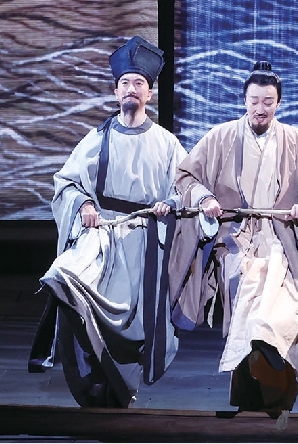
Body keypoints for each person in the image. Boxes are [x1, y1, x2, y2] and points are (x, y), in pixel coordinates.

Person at [169, 61, 298, 419]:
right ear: (244, 101)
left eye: (268, 101)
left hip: (283, 240)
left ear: (278, 103)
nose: (260, 108)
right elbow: (186, 176)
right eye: (254, 101)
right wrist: (205, 198)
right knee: (249, 298)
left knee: (288, 306)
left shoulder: (297, 141)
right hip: (238, 240)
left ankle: (276, 394)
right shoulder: (221, 137)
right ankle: (254, 396)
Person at [28, 36, 187, 409]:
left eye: (138, 83)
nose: (131, 89)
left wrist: (169, 204)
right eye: (125, 83)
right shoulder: (97, 138)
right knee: (63, 276)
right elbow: (66, 182)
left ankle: (116, 384)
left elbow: (188, 187)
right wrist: (83, 202)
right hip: (101, 234)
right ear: (116, 92)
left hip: (144, 239)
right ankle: (94, 369)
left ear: (149, 94)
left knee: (136, 322)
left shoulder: (166, 144)